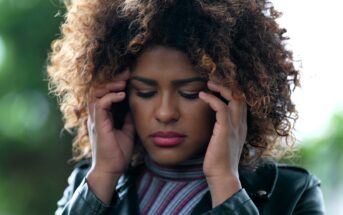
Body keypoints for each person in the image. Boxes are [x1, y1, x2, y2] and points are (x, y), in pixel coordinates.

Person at [48, 0, 325, 214]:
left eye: (190, 93)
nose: (166, 113)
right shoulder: (87, 184)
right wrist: (104, 175)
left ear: (234, 97)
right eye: (145, 92)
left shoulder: (292, 193)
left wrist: (225, 182)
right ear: (120, 95)